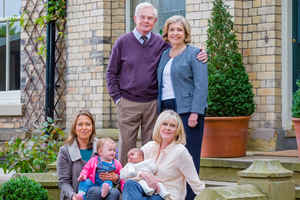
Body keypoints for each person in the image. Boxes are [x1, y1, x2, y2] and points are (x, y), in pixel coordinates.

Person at [106, 2, 208, 167]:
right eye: (142, 17)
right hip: (128, 103)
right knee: (127, 146)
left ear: (155, 22)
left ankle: (147, 186)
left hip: (153, 104)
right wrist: (118, 99)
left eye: (150, 18)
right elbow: (111, 73)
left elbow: (181, 50)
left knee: (153, 147)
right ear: (135, 19)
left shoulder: (161, 44)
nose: (146, 21)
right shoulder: (122, 42)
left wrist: (202, 54)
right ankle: (125, 184)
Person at [157, 15, 208, 200]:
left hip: (188, 110)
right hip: (166, 110)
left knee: (189, 154)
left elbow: (201, 86)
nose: (175, 33)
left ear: (185, 33)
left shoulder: (195, 53)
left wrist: (196, 111)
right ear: (167, 33)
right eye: (172, 30)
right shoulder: (164, 54)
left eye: (179, 30)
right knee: (168, 153)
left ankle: (192, 196)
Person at [122, 110, 205, 200]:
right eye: (165, 124)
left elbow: (195, 182)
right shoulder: (149, 146)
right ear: (159, 127)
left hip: (167, 196)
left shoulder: (181, 152)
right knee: (130, 184)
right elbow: (124, 173)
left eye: (172, 126)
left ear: (177, 130)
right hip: (147, 192)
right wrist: (144, 175)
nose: (168, 128)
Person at [57, 110, 121, 200]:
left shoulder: (103, 146)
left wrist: (116, 178)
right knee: (94, 191)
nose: (84, 128)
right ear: (74, 128)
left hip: (103, 194)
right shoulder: (65, 151)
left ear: (92, 127)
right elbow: (63, 182)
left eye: (88, 124)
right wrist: (73, 195)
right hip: (78, 195)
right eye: (80, 124)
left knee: (115, 193)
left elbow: (116, 168)